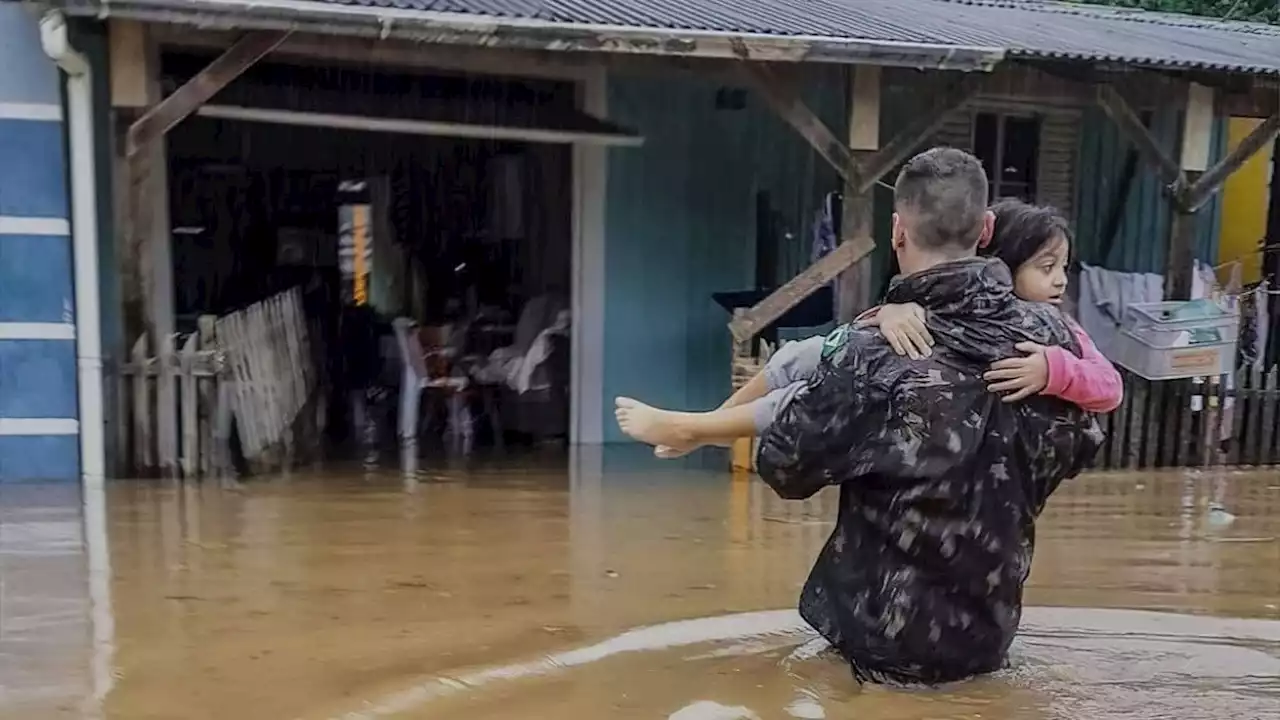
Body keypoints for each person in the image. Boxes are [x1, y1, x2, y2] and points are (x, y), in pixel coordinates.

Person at [646, 147, 1101, 684]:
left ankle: (694, 425)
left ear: (896, 231)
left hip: (881, 642)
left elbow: (787, 468)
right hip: (991, 636)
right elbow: (1082, 445)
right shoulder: (1054, 341)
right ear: (986, 229)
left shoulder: (871, 352)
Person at [613, 199, 1121, 455]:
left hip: (955, 430)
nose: (1058, 281)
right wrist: (889, 312)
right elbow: (865, 339)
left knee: (811, 396)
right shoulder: (943, 299)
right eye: (1045, 267)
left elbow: (1110, 387)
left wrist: (1053, 370)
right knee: (803, 356)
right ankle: (711, 427)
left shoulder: (1056, 331)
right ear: (998, 260)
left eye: (1062, 268)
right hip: (927, 411)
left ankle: (696, 430)